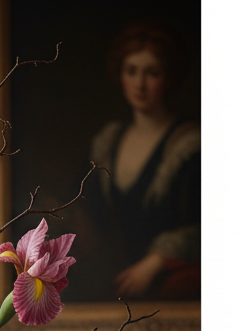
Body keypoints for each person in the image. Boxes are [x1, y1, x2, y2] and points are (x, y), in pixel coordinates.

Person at [84, 22, 200, 299]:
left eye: (152, 73)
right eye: (131, 71)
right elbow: (86, 211)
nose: (140, 84)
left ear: (169, 78)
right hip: (113, 284)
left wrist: (157, 261)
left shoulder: (190, 145)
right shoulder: (108, 142)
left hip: (172, 284)